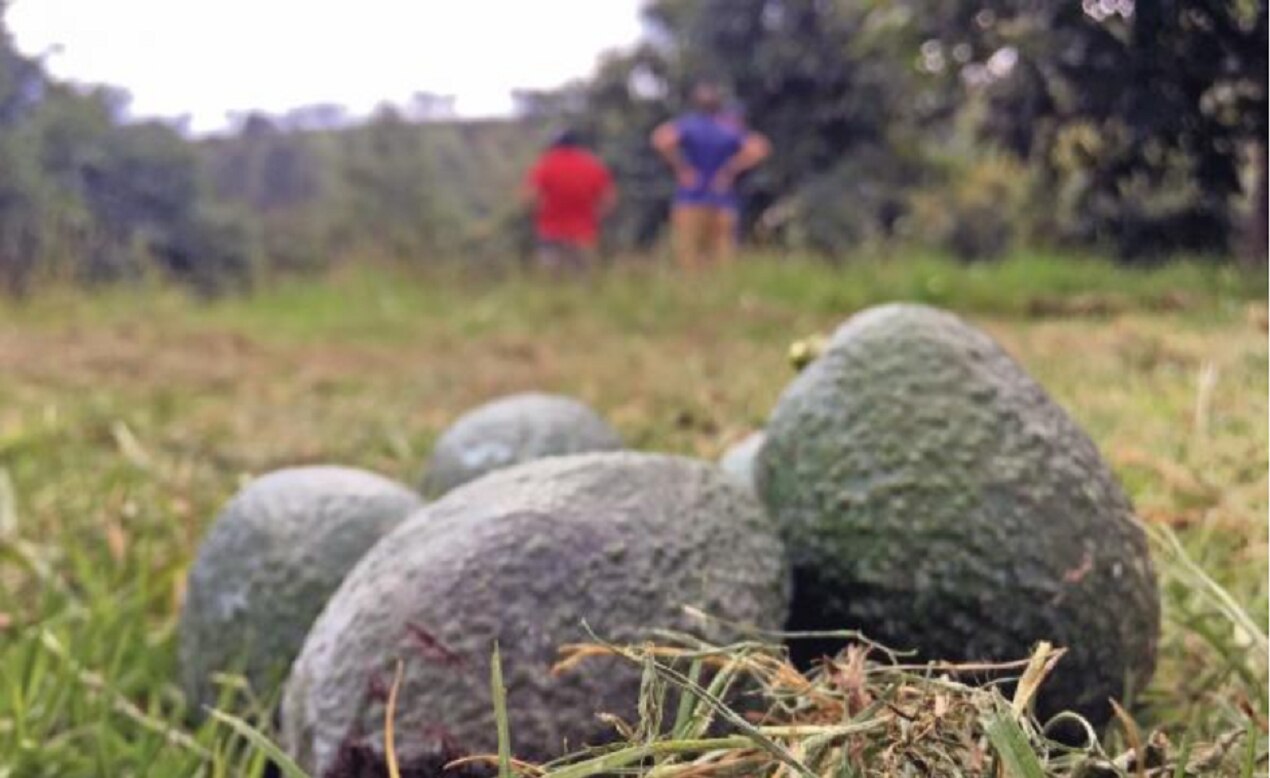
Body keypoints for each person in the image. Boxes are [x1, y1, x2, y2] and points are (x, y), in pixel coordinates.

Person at [651, 80, 771, 269]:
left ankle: (693, 296)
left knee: (688, 259)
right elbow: (760, 148)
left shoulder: (688, 125)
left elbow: (660, 139)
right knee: (723, 259)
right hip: (723, 199)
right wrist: (731, 169)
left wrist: (681, 168)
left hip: (690, 199)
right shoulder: (730, 129)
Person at [521, 129, 617, 270]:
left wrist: (538, 214)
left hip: (550, 232)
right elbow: (609, 200)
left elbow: (529, 198)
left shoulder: (545, 165)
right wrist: (595, 217)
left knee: (552, 283)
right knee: (583, 281)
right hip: (584, 234)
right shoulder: (593, 166)